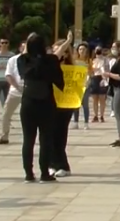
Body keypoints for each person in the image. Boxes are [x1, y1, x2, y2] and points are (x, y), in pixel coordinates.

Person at [18, 33, 64, 182]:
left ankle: (28, 173)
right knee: (46, 139)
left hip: (28, 102)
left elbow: (23, 74)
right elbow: (58, 79)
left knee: (28, 139)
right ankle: (45, 172)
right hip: (46, 102)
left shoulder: (23, 60)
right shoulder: (51, 60)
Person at [50, 37, 75, 177]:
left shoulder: (72, 68)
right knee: (50, 134)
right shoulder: (50, 65)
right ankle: (53, 164)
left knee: (60, 133)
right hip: (51, 102)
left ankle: (62, 165)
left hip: (66, 104)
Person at [0, 42, 25, 145]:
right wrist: (17, 86)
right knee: (6, 114)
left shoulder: (35, 59)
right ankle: (4, 136)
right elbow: (8, 75)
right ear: (20, 48)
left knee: (30, 116)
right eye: (23, 47)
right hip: (15, 92)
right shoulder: (13, 59)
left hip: (30, 92)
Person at [0, 38, 15, 129]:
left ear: (8, 44)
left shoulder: (11, 55)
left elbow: (14, 68)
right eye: (2, 42)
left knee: (7, 103)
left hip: (7, 81)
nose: (4, 44)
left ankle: (7, 121)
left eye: (6, 42)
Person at [71, 43, 93, 130]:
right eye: (80, 49)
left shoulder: (89, 61)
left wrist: (88, 77)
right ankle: (75, 122)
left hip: (85, 85)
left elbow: (91, 73)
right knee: (76, 105)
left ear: (86, 51)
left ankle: (86, 123)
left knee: (85, 105)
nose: (82, 51)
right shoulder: (75, 60)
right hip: (76, 85)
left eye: (83, 49)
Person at [90, 48, 109, 123]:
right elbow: (90, 70)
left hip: (102, 78)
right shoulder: (93, 60)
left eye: (99, 51)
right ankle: (95, 115)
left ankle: (101, 116)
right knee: (95, 98)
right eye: (97, 51)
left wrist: (106, 77)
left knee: (102, 98)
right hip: (94, 78)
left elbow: (107, 69)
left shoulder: (105, 60)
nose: (98, 52)